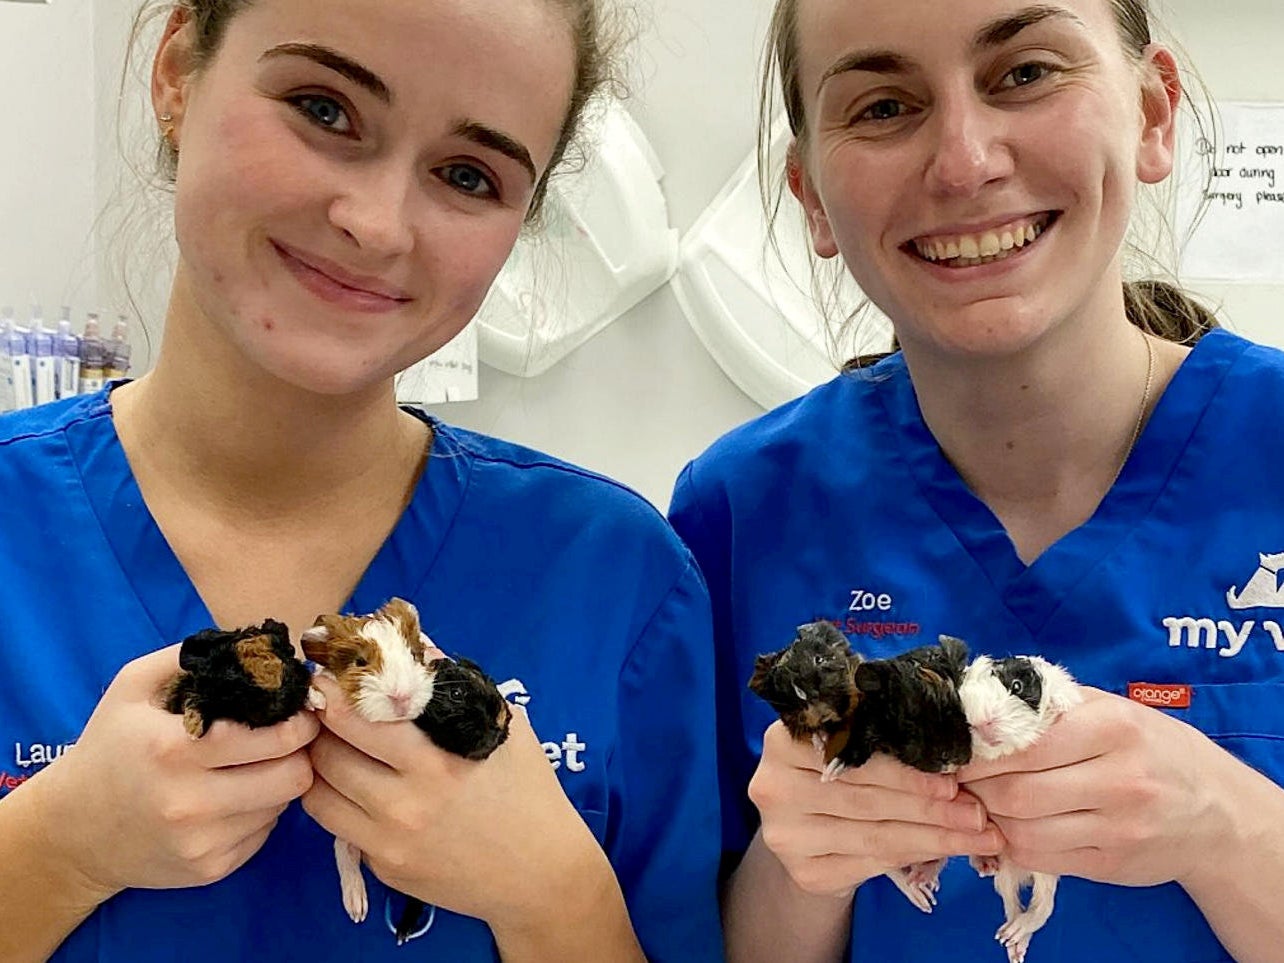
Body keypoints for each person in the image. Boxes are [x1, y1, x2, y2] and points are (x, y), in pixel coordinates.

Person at [0, 2, 723, 960]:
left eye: (468, 175)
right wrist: (53, 849)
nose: (376, 225)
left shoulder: (618, 581)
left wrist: (554, 898)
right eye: (323, 108)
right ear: (176, 71)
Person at [669, 0, 1284, 960]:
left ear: (1154, 116)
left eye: (1027, 73)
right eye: (881, 106)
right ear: (813, 199)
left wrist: (1225, 825)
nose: (964, 161)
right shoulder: (739, 512)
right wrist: (806, 859)